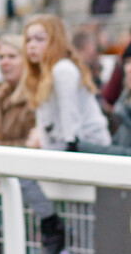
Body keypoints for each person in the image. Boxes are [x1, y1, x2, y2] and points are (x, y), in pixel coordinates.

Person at [0, 34, 65, 254]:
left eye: (12, 56)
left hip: (39, 186)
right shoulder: (0, 96)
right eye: (1, 57)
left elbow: (34, 143)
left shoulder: (35, 94)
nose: (4, 62)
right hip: (15, 185)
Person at [22, 14, 110, 152]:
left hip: (89, 148)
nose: (32, 45)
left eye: (39, 39)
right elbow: (46, 121)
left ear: (55, 41)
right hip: (64, 148)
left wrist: (66, 152)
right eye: (28, 40)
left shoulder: (63, 69)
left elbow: (71, 122)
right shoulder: (40, 74)